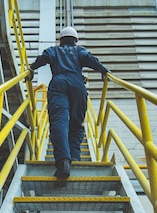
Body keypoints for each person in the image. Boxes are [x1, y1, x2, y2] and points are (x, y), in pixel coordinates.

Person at [29, 26, 110, 178]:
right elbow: (91, 59)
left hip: (59, 83)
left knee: (59, 121)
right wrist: (104, 71)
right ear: (75, 40)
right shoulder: (79, 51)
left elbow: (42, 58)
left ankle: (63, 162)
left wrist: (31, 69)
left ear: (61, 40)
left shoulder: (54, 50)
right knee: (76, 125)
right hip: (78, 85)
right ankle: (75, 158)